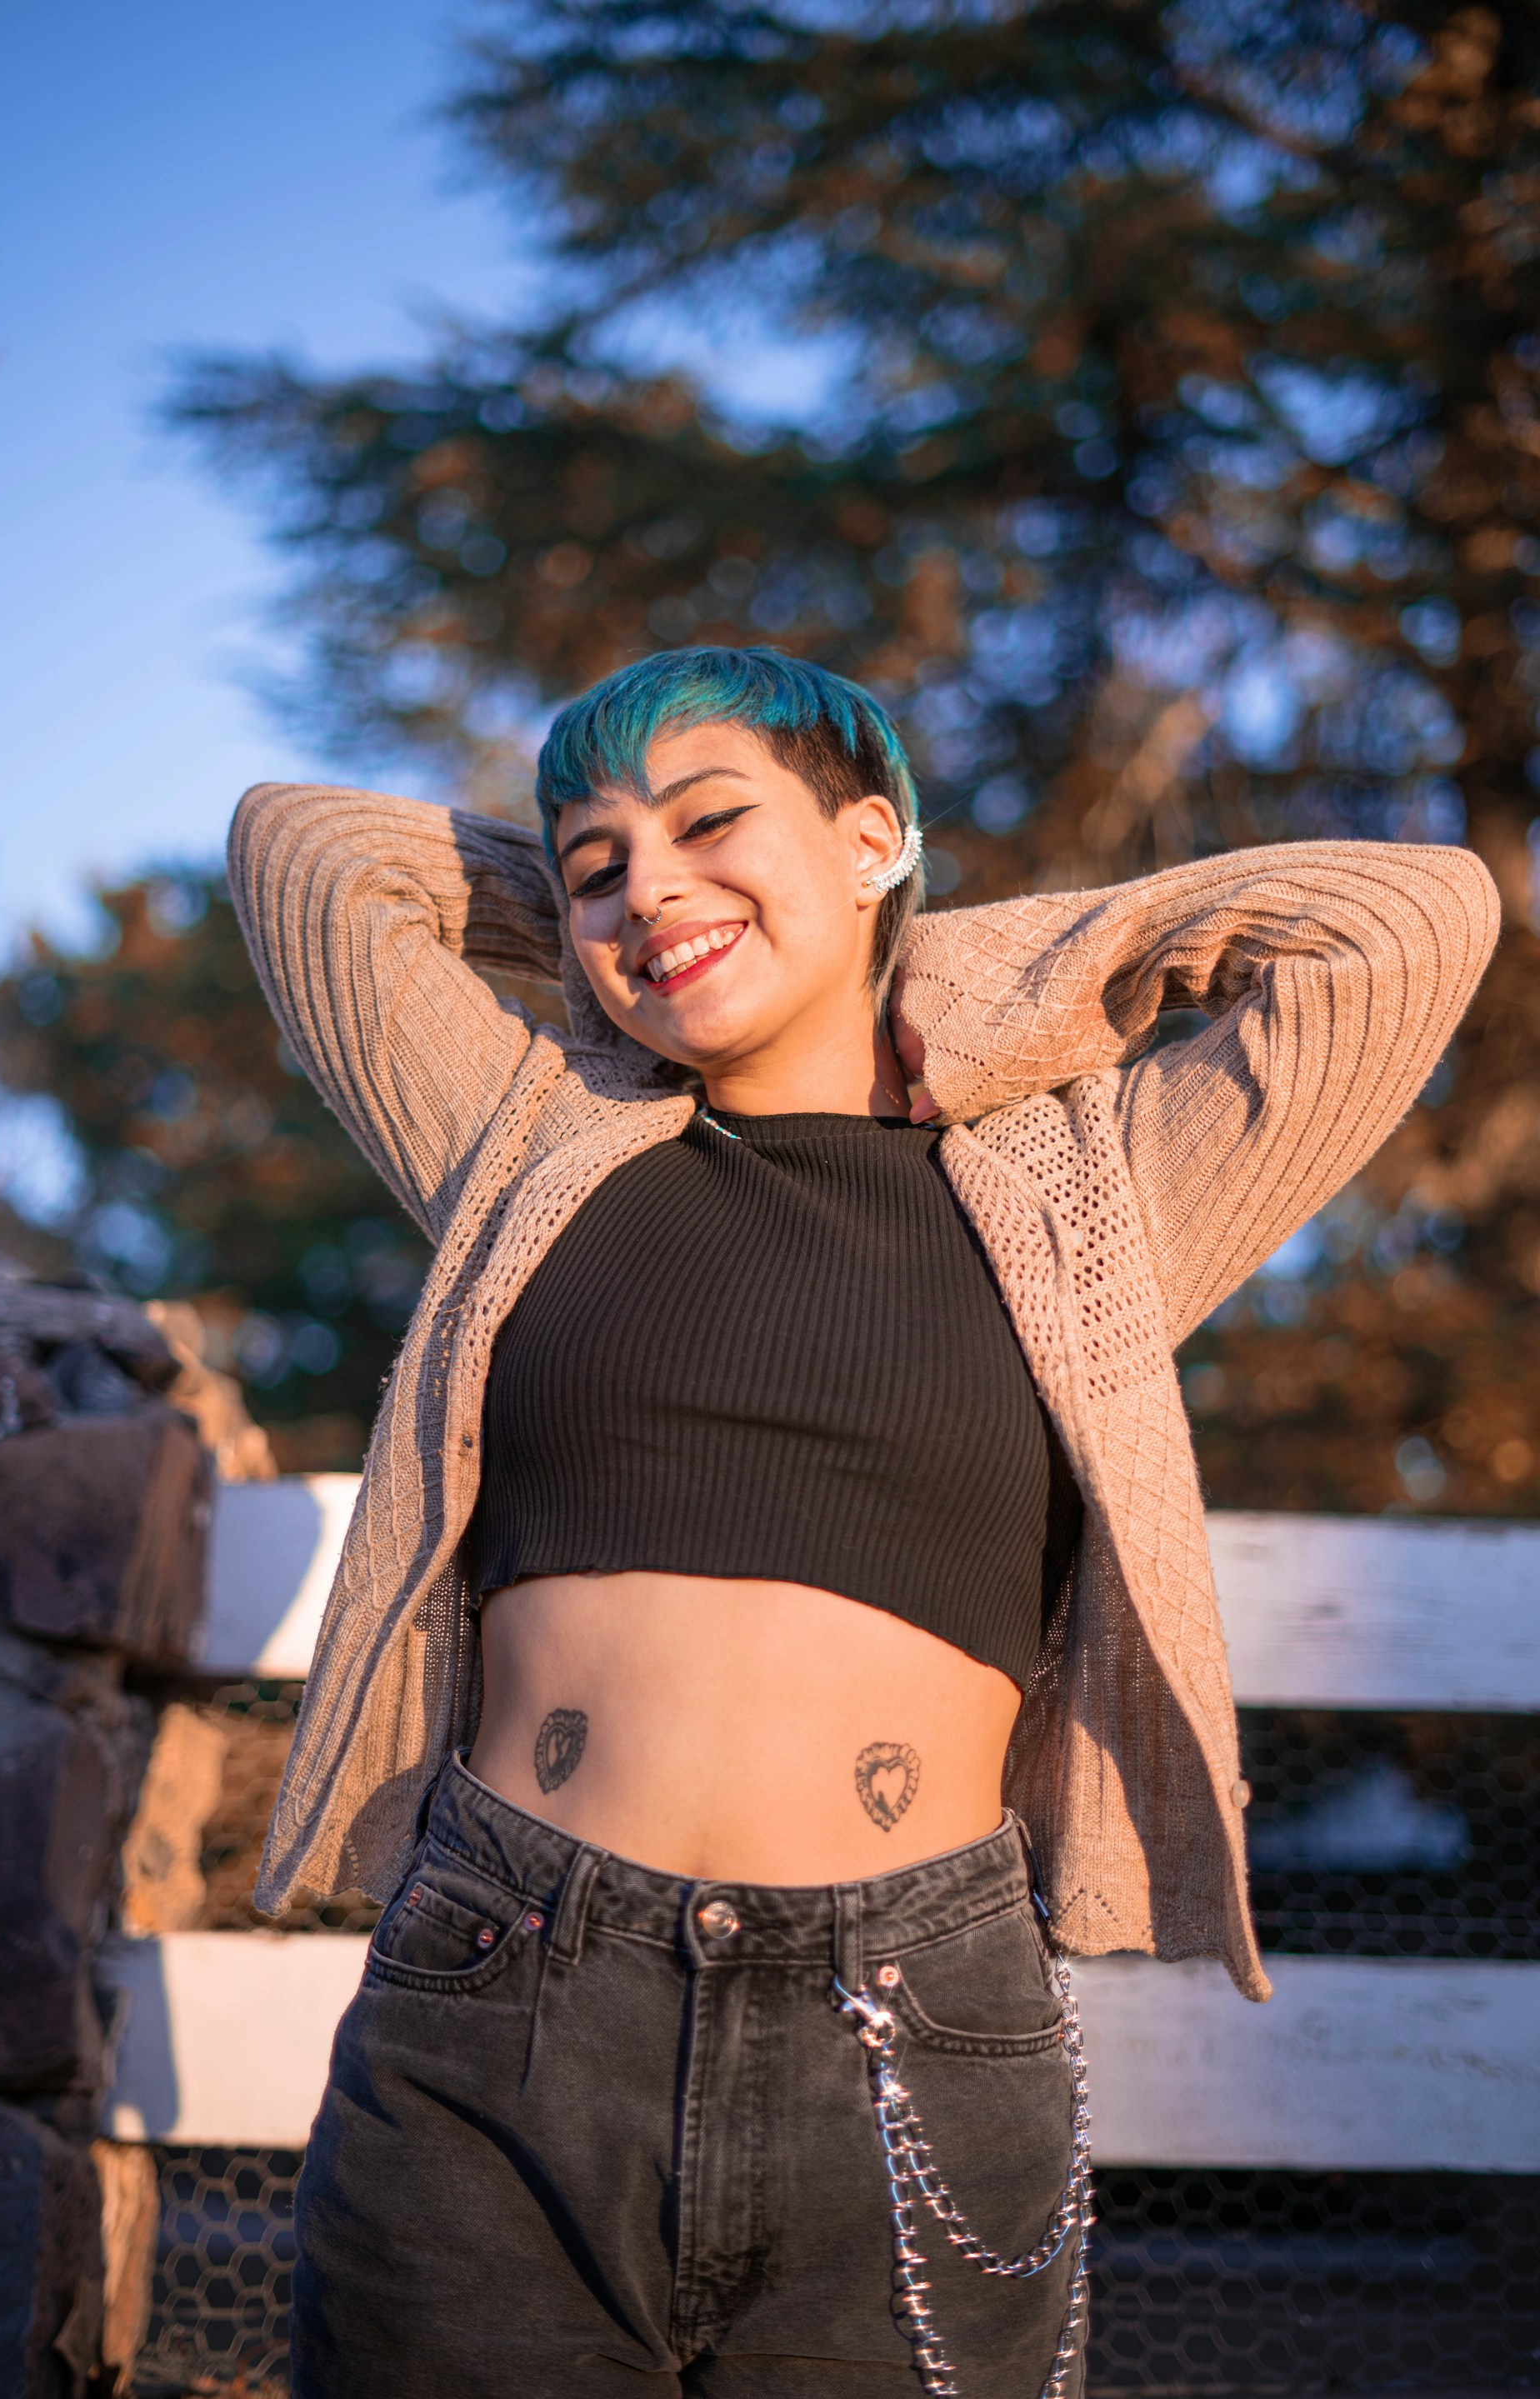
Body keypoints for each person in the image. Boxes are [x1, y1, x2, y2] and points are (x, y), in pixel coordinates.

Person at [228, 647, 1496, 2398]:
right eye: (590, 860)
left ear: (875, 835)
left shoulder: (1095, 1193)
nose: (642, 882)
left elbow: (1410, 919)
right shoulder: (531, 1131)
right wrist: (659, 931)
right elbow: (304, 851)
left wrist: (943, 970)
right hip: (511, 1988)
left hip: (913, 2015)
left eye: (708, 820)